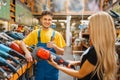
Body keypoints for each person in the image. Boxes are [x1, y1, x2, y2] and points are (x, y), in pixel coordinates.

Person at [48, 11, 118, 80]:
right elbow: (92, 63)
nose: (88, 29)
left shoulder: (96, 51)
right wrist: (75, 63)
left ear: (98, 29)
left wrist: (57, 66)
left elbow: (80, 74)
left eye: (90, 26)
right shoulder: (101, 47)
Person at [19, 11, 66, 80]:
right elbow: (21, 43)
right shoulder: (35, 33)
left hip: (53, 71)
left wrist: (54, 47)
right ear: (41, 20)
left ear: (51, 21)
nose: (47, 21)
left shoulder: (57, 34)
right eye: (45, 19)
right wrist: (27, 52)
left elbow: (62, 52)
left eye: (49, 19)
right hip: (40, 70)